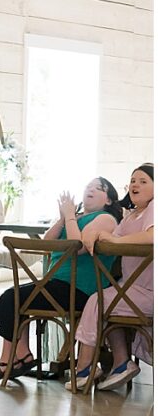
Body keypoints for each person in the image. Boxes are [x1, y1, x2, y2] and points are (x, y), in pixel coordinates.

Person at [0, 177, 122, 384]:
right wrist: (63, 218)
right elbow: (47, 243)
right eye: (87, 186)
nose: (90, 189)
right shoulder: (75, 218)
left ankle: (13, 359)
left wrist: (70, 217)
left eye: (98, 188)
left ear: (109, 200)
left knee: (13, 297)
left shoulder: (105, 218)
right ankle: (18, 356)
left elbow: (78, 246)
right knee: (13, 297)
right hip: (56, 284)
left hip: (79, 289)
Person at [68, 164, 154, 391]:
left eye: (143, 181)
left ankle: (85, 368)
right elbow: (108, 236)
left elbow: (152, 236)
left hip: (149, 292)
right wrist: (95, 232)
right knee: (106, 301)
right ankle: (121, 362)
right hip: (132, 289)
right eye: (133, 180)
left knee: (97, 302)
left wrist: (115, 241)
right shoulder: (133, 215)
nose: (135, 184)